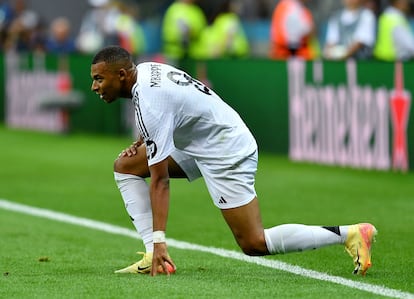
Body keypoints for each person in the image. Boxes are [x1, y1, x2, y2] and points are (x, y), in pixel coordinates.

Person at [90, 45, 377, 276]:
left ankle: (350, 234)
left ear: (123, 76)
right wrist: (147, 140)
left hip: (225, 150)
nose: (94, 86)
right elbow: (174, 105)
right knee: (126, 166)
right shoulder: (148, 71)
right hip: (201, 142)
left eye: (99, 78)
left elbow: (161, 180)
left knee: (253, 243)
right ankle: (152, 255)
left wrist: (160, 236)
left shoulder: (150, 98)